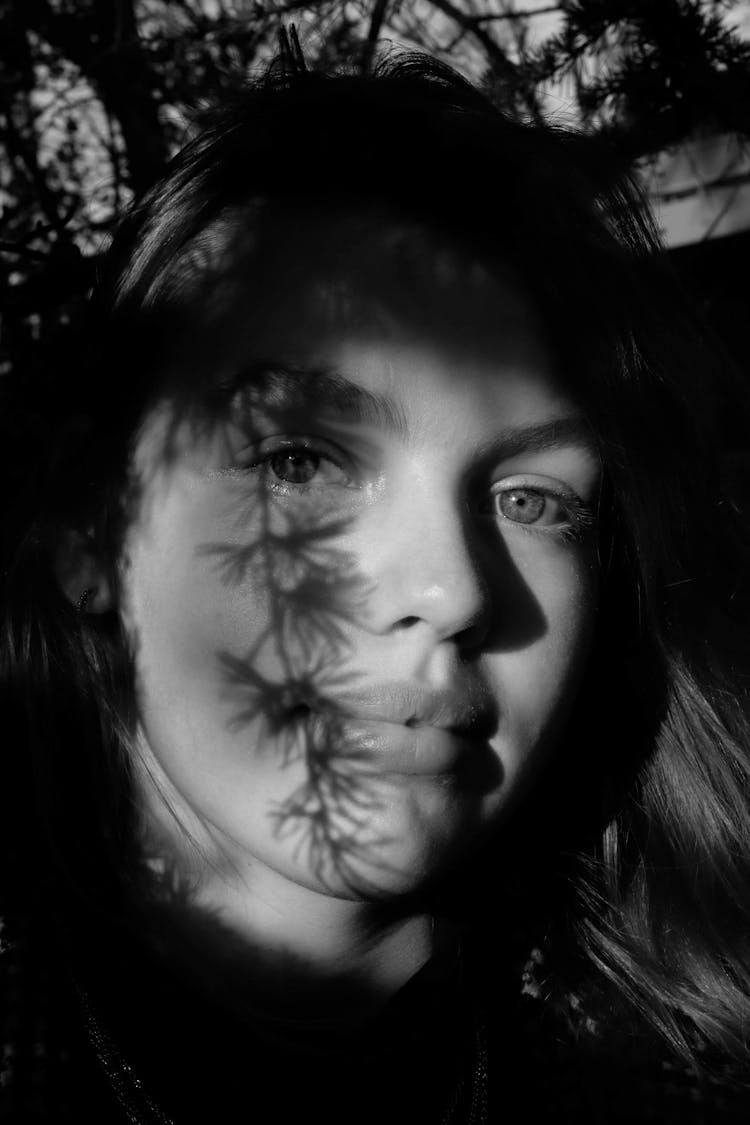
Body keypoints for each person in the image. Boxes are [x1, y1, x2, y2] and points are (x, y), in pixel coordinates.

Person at [2, 42, 750, 1124]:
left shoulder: (675, 1064)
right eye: (299, 462)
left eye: (534, 501)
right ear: (90, 522)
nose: (452, 592)